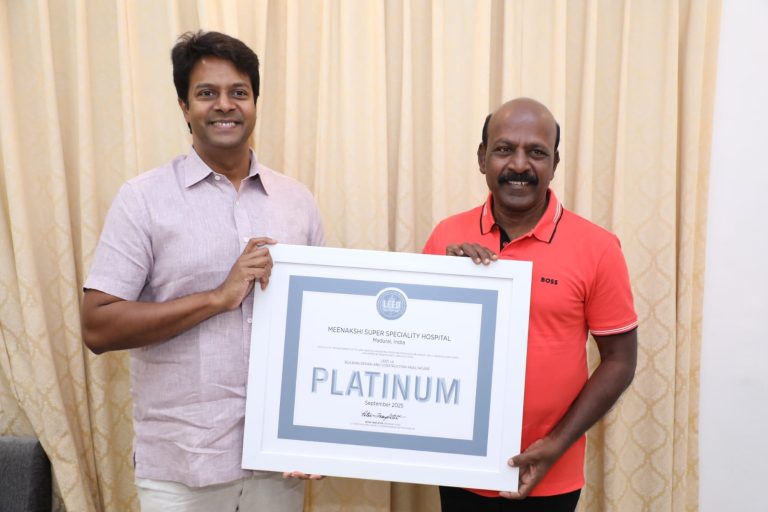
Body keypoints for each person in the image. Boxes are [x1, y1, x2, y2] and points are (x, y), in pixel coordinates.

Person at [81, 31, 323, 511]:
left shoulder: (297, 201)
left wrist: (319, 431)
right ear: (184, 106)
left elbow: (317, 330)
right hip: (182, 469)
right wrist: (217, 297)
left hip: (277, 468)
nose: (224, 105)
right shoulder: (143, 199)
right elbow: (97, 326)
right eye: (207, 93)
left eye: (239, 92)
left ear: (255, 103)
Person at [423, 98, 638, 512]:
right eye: (504, 149)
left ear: (554, 163)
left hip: (550, 473)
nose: (519, 165)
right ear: (482, 157)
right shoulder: (447, 236)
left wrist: (557, 444)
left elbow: (620, 360)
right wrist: (449, 283)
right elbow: (419, 345)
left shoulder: (598, 247)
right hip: (460, 465)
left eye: (536, 152)